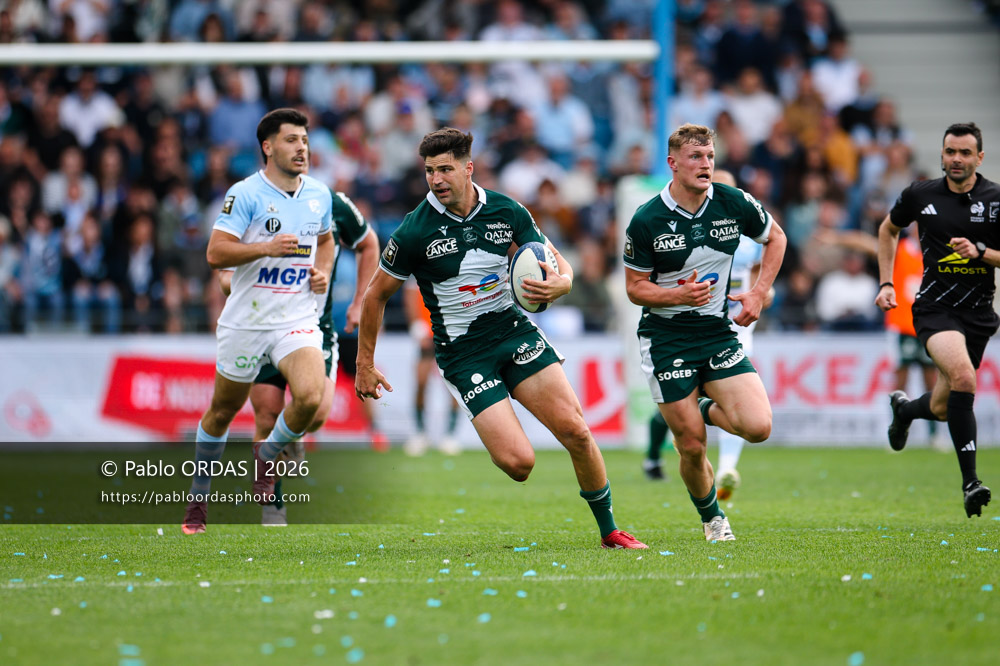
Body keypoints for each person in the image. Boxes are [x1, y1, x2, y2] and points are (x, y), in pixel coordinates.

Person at [356, 127, 646, 549]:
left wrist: (563, 283)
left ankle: (610, 531)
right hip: (463, 355)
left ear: (468, 168)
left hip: (513, 332)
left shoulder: (507, 211)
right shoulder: (414, 230)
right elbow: (374, 296)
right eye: (429, 171)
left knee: (577, 431)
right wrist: (365, 363)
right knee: (519, 463)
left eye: (445, 169)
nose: (436, 179)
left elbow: (554, 260)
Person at [623, 124, 786, 541]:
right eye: (695, 157)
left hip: (717, 333)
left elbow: (776, 238)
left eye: (710, 156)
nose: (706, 164)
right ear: (673, 164)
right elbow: (635, 288)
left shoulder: (733, 202)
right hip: (666, 339)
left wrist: (758, 293)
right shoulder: (647, 219)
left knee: (758, 427)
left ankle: (699, 403)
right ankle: (713, 519)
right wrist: (676, 295)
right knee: (692, 445)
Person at [182, 108, 335, 534]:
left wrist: (322, 271)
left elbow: (326, 240)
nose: (301, 148)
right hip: (247, 322)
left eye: (304, 140)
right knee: (222, 411)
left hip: (295, 317)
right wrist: (265, 247)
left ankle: (266, 456)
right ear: (268, 147)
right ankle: (198, 496)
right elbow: (215, 252)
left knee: (310, 396)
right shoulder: (246, 194)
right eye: (291, 140)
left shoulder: (319, 194)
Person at [217, 190, 379, 525]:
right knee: (266, 413)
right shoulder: (250, 201)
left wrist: (360, 301)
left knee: (315, 412)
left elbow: (368, 243)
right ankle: (272, 507)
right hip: (261, 327)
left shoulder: (331, 202)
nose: (299, 161)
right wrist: (260, 284)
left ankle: (289, 437)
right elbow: (224, 275)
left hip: (313, 328)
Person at [876, 122, 999, 518]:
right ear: (942, 155)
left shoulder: (995, 199)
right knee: (964, 378)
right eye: (950, 152)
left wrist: (980, 252)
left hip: (979, 314)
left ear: (979, 157)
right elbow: (888, 230)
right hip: (934, 309)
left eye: (965, 153)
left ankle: (905, 411)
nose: (956, 159)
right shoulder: (920, 194)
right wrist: (886, 282)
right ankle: (971, 482)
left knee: (945, 406)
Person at [883, 228, 947, 451]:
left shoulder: (936, 251)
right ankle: (896, 430)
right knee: (901, 382)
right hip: (903, 326)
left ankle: (934, 435)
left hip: (928, 326)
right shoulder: (901, 249)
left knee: (932, 381)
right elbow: (874, 247)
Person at [403, 279, 462, 456]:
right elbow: (410, 297)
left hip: (447, 333)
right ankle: (420, 433)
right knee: (421, 382)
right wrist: (417, 328)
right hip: (427, 335)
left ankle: (450, 435)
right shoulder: (416, 272)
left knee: (453, 385)